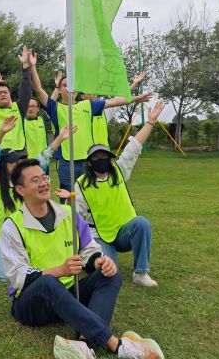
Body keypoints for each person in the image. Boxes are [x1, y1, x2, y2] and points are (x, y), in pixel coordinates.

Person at [0, 159, 165, 359]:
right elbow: (18, 276)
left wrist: (99, 261)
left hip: (69, 296)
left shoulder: (69, 214)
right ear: (20, 189)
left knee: (110, 273)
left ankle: (83, 343)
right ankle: (118, 346)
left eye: (44, 177)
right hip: (32, 304)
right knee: (48, 282)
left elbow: (88, 249)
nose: (43, 183)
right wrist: (60, 270)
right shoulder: (12, 226)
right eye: (35, 180)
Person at [58, 100, 165, 288]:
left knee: (142, 223)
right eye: (96, 158)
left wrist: (150, 122)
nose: (101, 160)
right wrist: (69, 201)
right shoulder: (81, 184)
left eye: (104, 157)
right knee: (107, 271)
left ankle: (141, 273)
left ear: (110, 158)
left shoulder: (119, 171)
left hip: (123, 232)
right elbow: (75, 218)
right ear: (89, 162)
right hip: (99, 235)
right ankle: (91, 256)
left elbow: (134, 146)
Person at [29, 52, 152, 192]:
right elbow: (38, 89)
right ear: (60, 89)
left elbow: (114, 101)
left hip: (88, 162)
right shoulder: (56, 108)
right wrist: (32, 66)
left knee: (91, 197)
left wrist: (137, 97)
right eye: (65, 85)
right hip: (66, 164)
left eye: (72, 85)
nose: (69, 87)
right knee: (68, 199)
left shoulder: (87, 105)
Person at [0, 116, 75, 282]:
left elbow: (43, 159)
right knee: (6, 277)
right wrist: (0, 136)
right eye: (13, 162)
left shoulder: (26, 182)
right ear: (3, 165)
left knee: (37, 265)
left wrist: (59, 139)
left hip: (25, 234)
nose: (18, 163)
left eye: (19, 160)